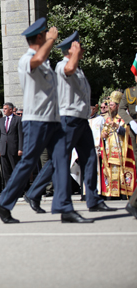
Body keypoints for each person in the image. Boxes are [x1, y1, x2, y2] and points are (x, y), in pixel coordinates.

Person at [0, 17, 90, 224]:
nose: (49, 37)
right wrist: (52, 40)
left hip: (53, 121)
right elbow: (35, 60)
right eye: (45, 34)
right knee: (28, 162)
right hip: (36, 121)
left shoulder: (45, 63)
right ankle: (3, 203)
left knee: (61, 159)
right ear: (39, 37)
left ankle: (65, 208)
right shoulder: (27, 59)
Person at [24, 31, 116, 214]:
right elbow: (69, 70)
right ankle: (34, 192)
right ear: (71, 49)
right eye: (79, 46)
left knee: (89, 157)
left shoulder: (78, 69)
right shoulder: (62, 65)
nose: (82, 50)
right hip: (67, 119)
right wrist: (73, 54)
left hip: (81, 120)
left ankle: (93, 199)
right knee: (59, 159)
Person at [101, 91, 137, 199]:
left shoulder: (124, 119)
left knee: (122, 175)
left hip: (121, 154)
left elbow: (128, 134)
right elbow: (104, 135)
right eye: (109, 105)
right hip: (110, 155)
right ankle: (112, 194)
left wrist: (117, 126)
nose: (110, 107)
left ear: (117, 106)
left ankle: (122, 194)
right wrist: (103, 135)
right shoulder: (107, 119)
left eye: (112, 105)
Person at [120, 53, 137, 218]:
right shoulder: (129, 92)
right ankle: (132, 204)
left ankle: (133, 203)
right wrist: (131, 122)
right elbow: (121, 109)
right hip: (135, 131)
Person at [0, 102, 23, 190]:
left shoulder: (17, 119)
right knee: (5, 171)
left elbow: (20, 135)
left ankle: (18, 189)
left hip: (13, 148)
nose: (4, 110)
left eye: (5, 109)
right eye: (3, 109)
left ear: (11, 110)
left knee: (15, 169)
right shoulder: (1, 120)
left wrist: (20, 148)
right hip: (3, 149)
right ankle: (8, 189)